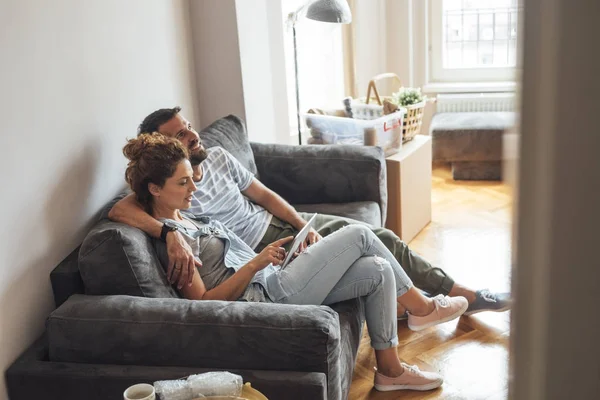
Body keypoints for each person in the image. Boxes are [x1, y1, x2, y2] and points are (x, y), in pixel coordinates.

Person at [122, 134, 470, 392]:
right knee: (361, 235)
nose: (193, 189)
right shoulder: (174, 247)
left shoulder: (182, 224)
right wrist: (255, 264)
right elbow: (201, 304)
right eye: (182, 183)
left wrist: (279, 259)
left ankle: (390, 372)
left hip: (274, 279)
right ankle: (422, 309)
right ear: (154, 189)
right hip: (267, 300)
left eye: (191, 179)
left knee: (377, 270)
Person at [108, 107, 510, 316]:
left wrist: (303, 223)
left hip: (280, 226)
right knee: (374, 240)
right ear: (164, 151)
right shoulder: (172, 193)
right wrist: (169, 233)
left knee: (376, 242)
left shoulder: (215, 157)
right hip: (258, 248)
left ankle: (420, 303)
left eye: (190, 125)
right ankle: (449, 297)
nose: (193, 134)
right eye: (181, 134)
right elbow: (120, 208)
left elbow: (264, 195)